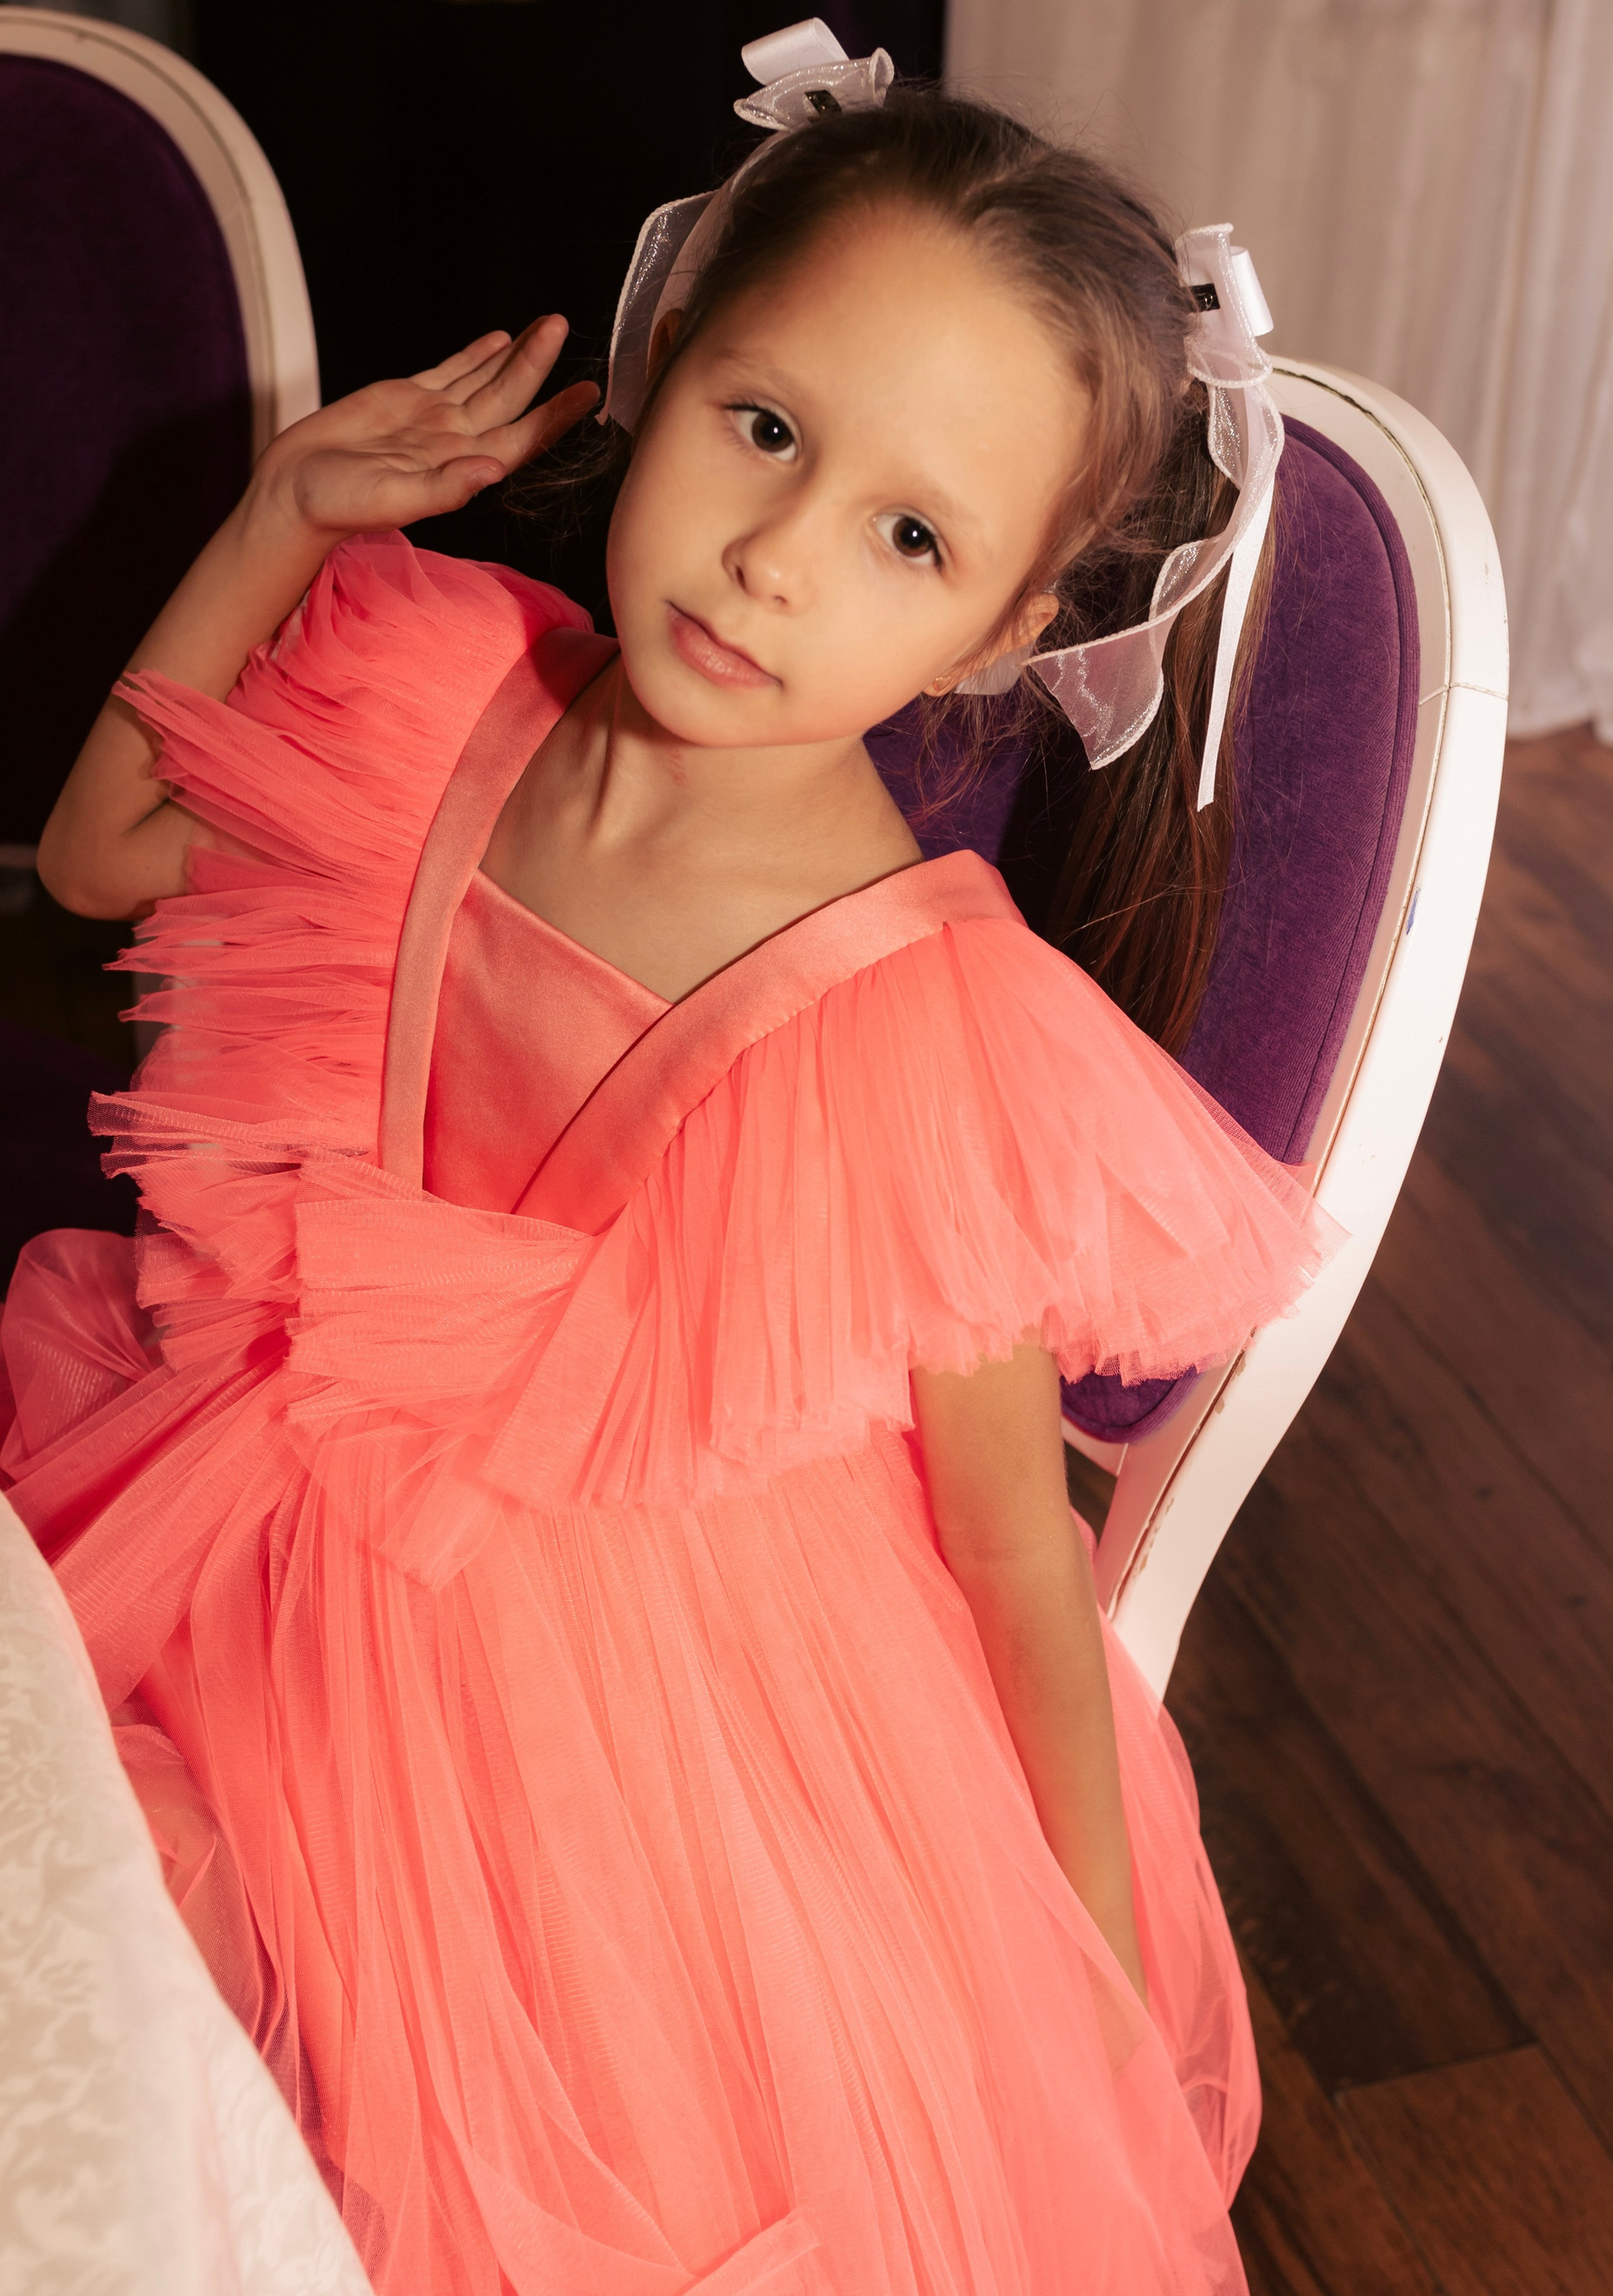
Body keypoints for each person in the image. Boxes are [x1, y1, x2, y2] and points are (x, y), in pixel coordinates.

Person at [7, 53, 1331, 2296]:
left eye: (911, 539)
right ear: (669, 358)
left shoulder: (907, 1006)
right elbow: (96, 853)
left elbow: (1013, 1552)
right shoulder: (449, 679)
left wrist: (1089, 2012)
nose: (776, 558)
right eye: (767, 426)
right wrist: (286, 519)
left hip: (628, 1714)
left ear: (1005, 631)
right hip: (248, 1491)